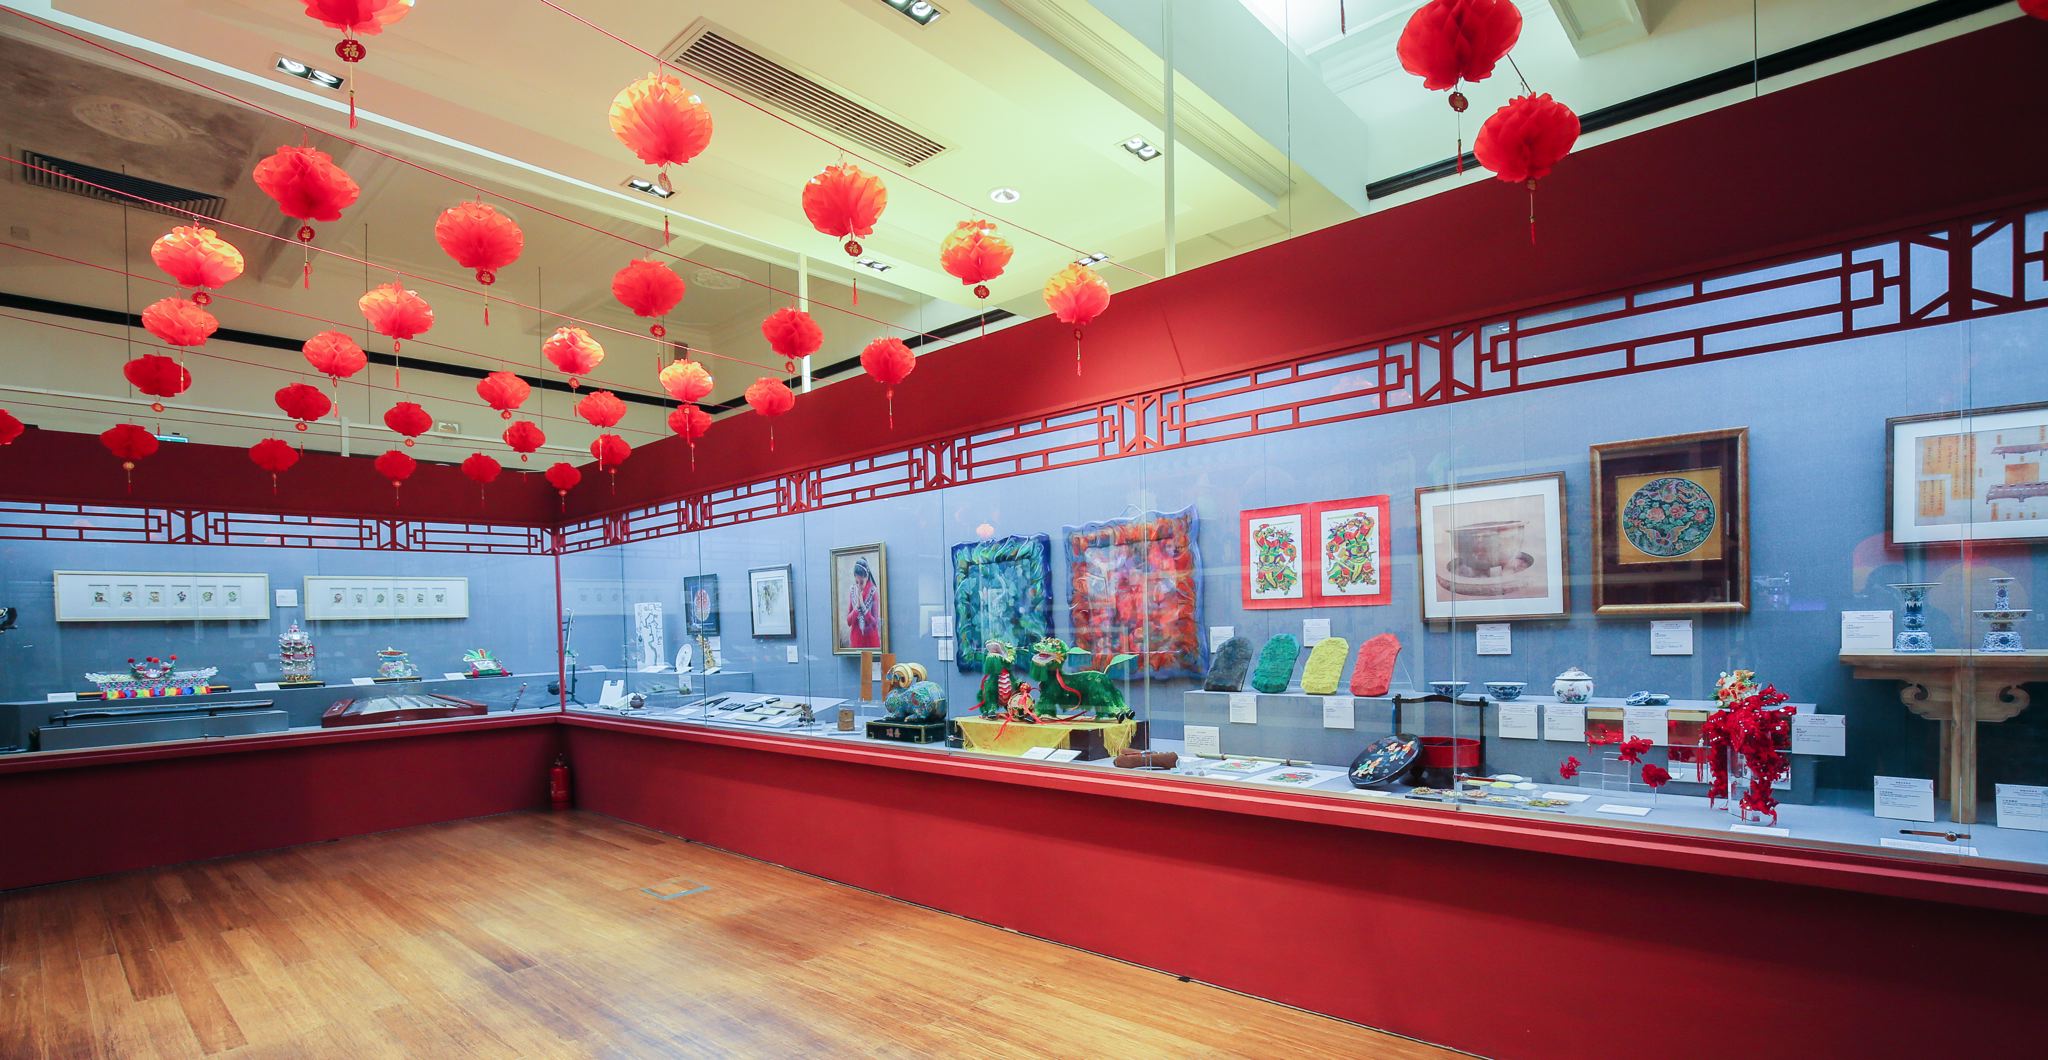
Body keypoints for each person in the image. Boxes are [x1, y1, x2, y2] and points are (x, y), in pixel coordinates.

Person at [846, 557, 881, 649]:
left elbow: (874, 624)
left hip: (871, 642)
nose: (859, 586)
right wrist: (857, 607)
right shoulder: (853, 590)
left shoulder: (873, 591)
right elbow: (849, 622)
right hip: (856, 641)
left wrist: (863, 607)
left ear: (867, 577)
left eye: (861, 583)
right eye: (856, 582)